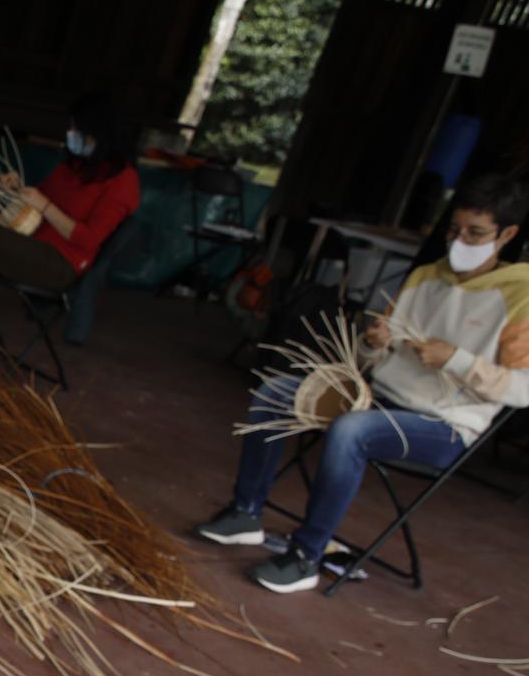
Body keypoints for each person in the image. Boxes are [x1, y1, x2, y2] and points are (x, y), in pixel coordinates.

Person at [194, 172, 529, 593]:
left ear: (507, 234)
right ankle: (245, 512)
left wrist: (457, 359)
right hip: (380, 397)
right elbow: (377, 357)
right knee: (274, 393)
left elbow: (523, 390)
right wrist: (374, 345)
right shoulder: (427, 274)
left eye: (475, 234)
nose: (459, 242)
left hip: (446, 424)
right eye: (454, 230)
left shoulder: (522, 293)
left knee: (351, 430)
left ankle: (306, 555)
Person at [0, 93, 140, 358]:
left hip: (61, 265)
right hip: (32, 247)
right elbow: (40, 198)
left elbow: (89, 238)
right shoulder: (75, 166)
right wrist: (17, 187)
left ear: (100, 132)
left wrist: (45, 205)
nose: (71, 133)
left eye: (77, 129)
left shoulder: (123, 181)